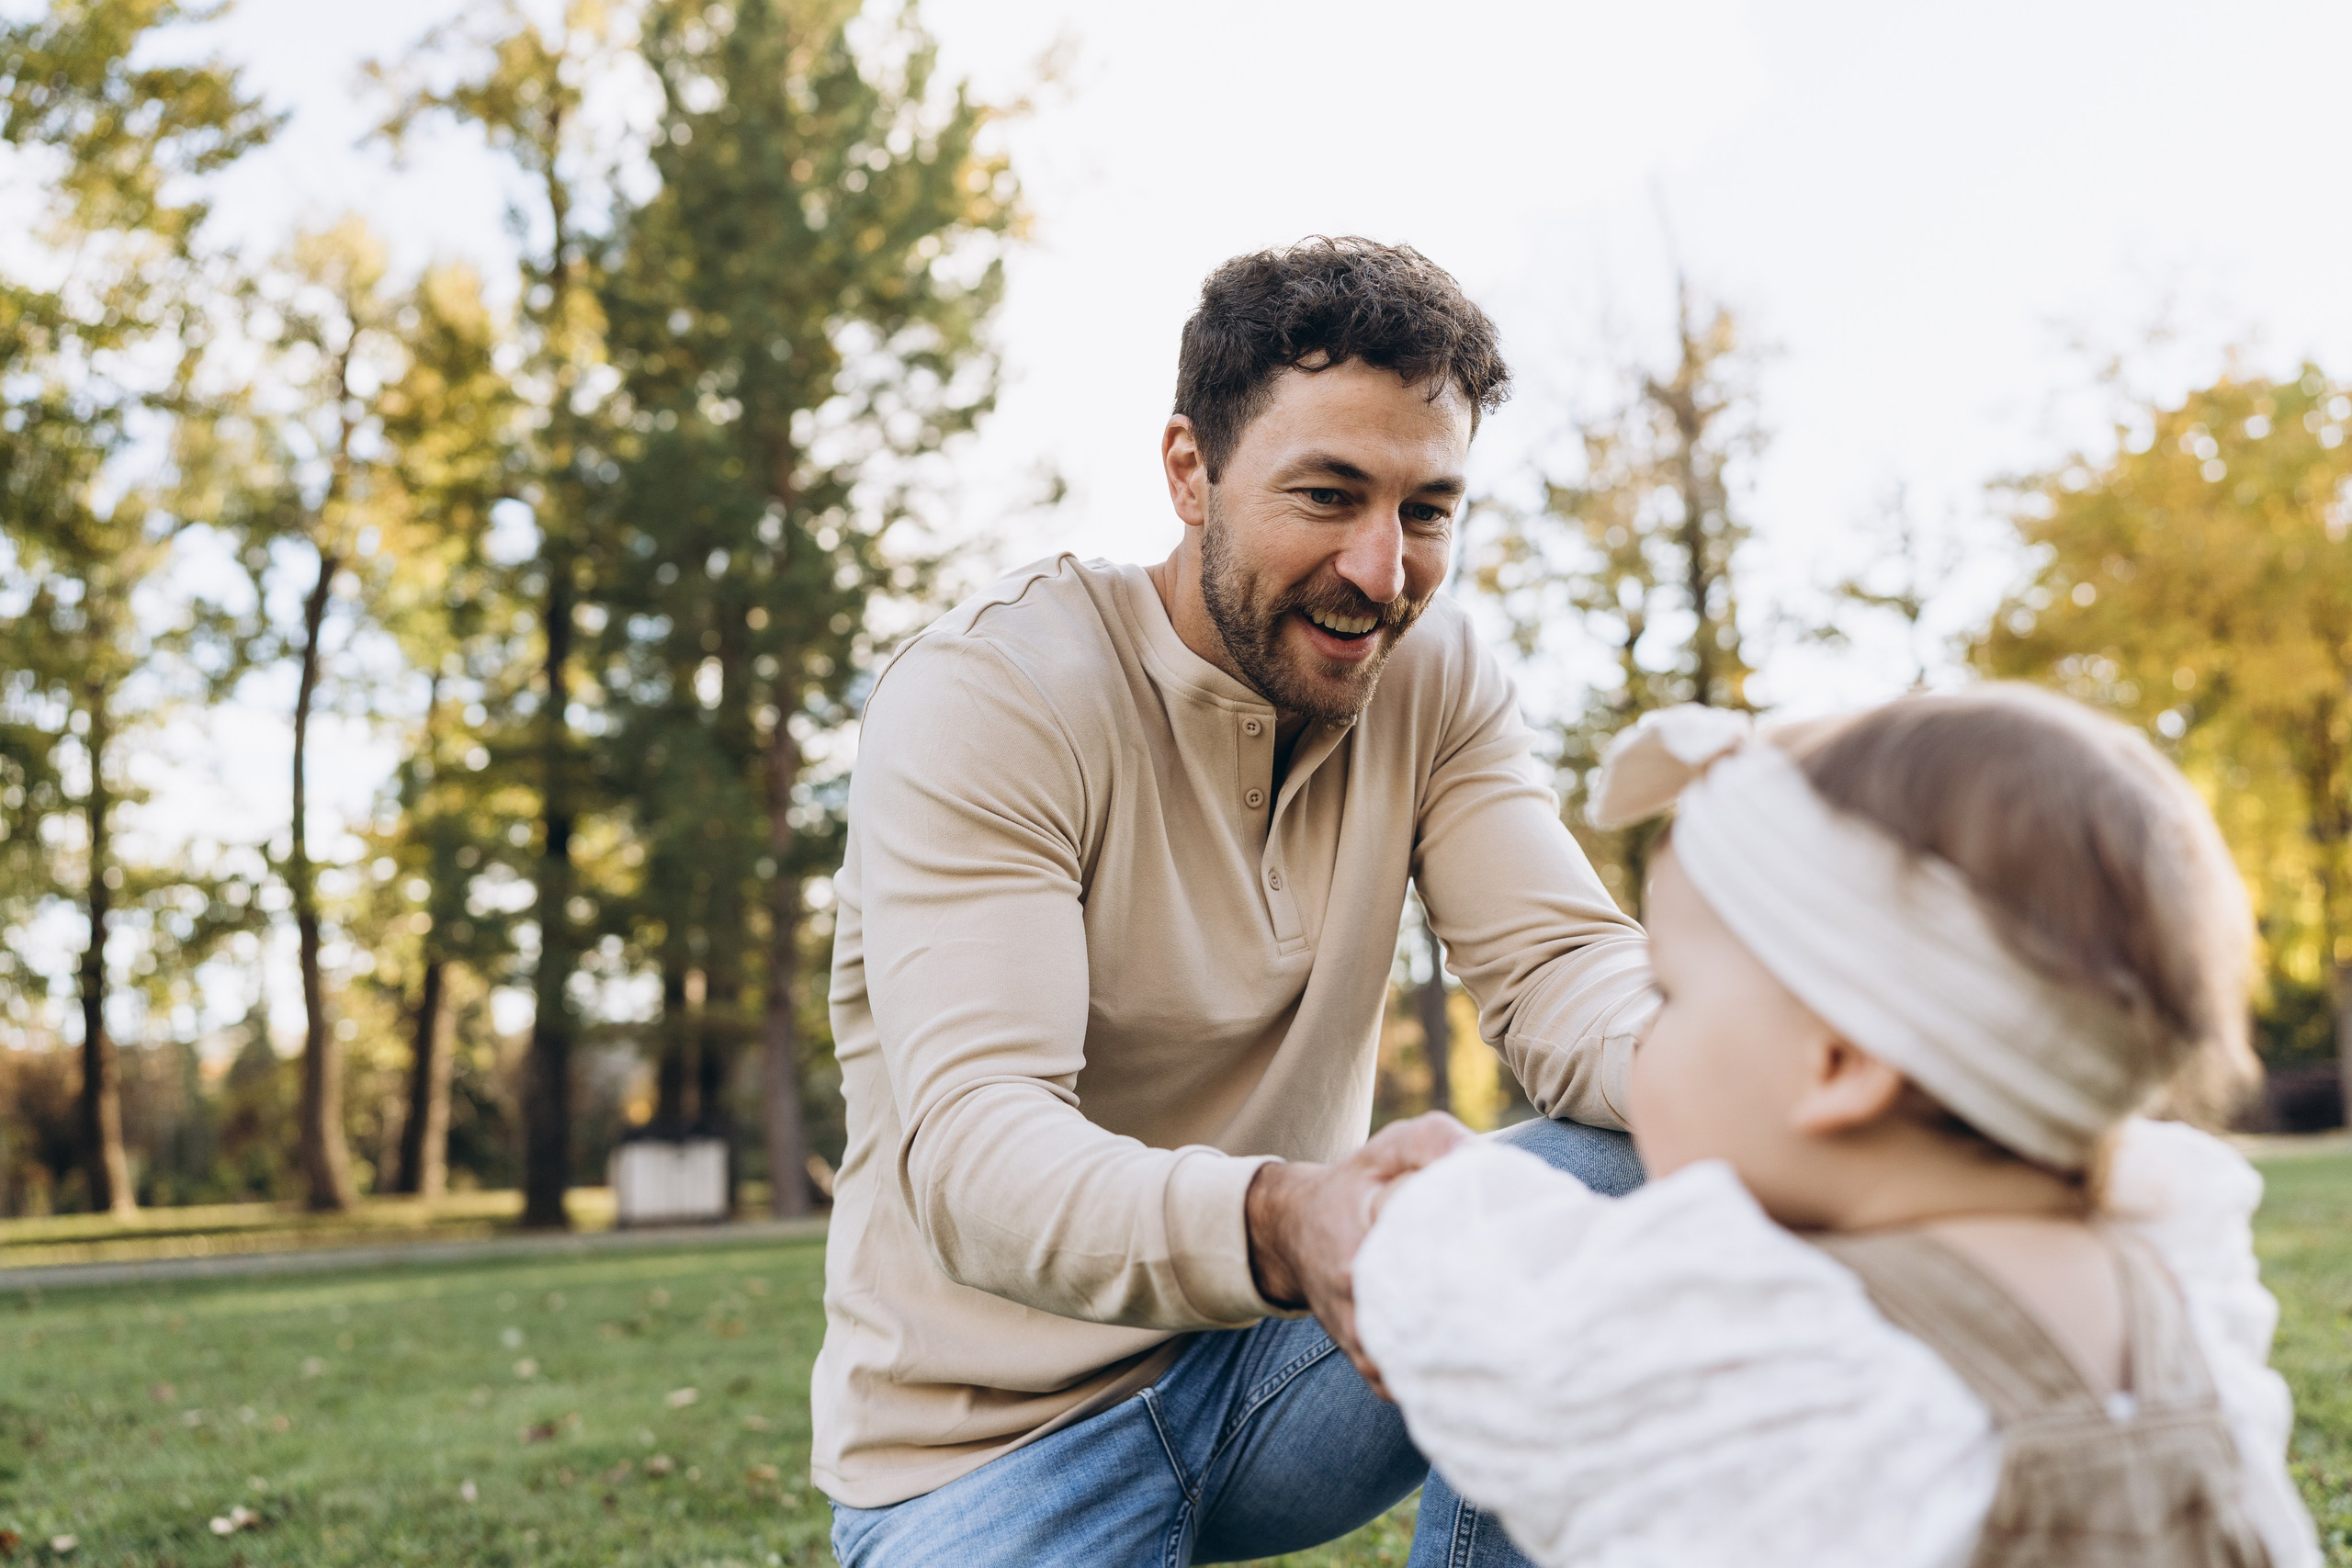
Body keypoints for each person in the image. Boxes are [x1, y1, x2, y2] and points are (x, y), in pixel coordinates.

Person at [813, 237, 1656, 1567]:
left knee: (1645, 1162)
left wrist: (1747, 1071)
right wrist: (1281, 1214)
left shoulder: (1430, 676)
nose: (1382, 573)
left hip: (1284, 1371)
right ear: (1189, 472)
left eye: (1428, 510)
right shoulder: (997, 693)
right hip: (993, 1450)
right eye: (1328, 495)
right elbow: (979, 1156)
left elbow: (1565, 967)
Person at [1355, 690, 2323, 1568]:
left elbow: (1520, 1340)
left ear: (1838, 1064)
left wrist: (1433, 1205)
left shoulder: (1777, 1322)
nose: (1645, 1034)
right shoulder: (2180, 1272)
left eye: (1670, 996)